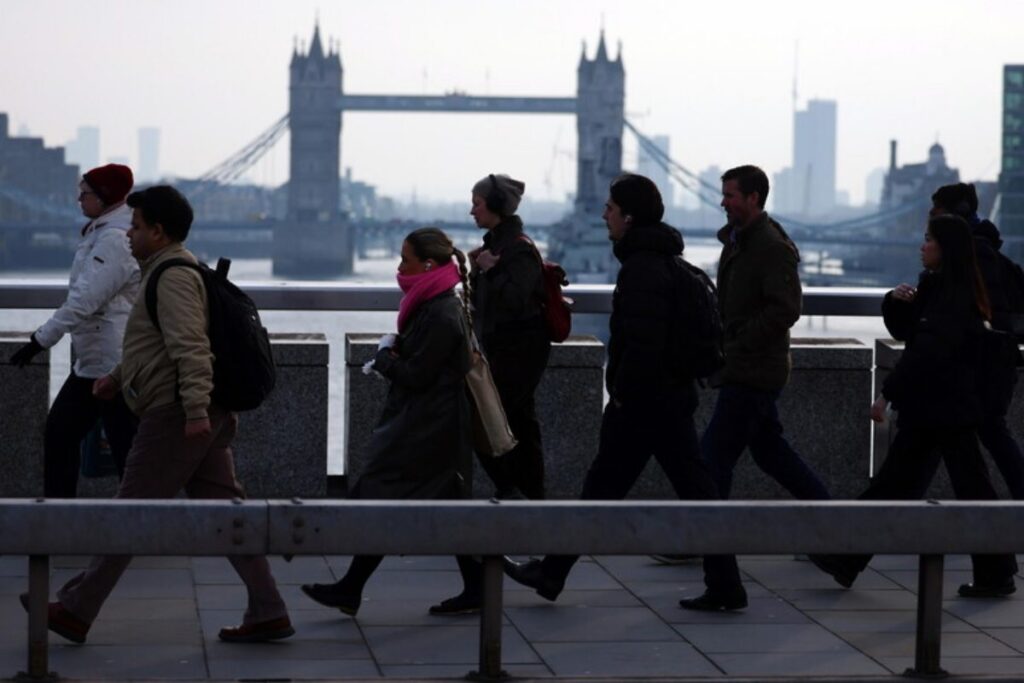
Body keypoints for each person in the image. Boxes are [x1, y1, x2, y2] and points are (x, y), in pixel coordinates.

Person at [20, 185, 294, 644]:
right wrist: (118, 375)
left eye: (137, 225)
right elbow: (155, 343)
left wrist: (193, 411)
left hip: (176, 416)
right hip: (193, 412)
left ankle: (75, 608)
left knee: (131, 512)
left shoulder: (172, 277)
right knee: (228, 512)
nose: (129, 233)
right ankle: (269, 609)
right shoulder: (163, 271)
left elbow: (190, 349)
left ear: (159, 231)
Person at [503, 173, 748, 612]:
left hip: (645, 406)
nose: (604, 215)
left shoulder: (642, 269)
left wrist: (620, 395)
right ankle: (554, 573)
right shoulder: (663, 261)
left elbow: (643, 344)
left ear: (629, 217)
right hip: (665, 402)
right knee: (670, 491)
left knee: (641, 491)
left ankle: (553, 572)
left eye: (611, 209)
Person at [811, 215, 1018, 597]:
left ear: (945, 248)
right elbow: (913, 333)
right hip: (942, 409)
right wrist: (895, 302)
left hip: (943, 409)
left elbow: (925, 351)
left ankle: (844, 555)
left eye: (928, 240)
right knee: (936, 488)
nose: (922, 246)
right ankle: (996, 570)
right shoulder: (945, 288)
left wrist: (887, 394)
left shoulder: (952, 296)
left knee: (909, 487)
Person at [301, 228, 482, 615]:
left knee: (384, 495)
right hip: (430, 424)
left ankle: (349, 587)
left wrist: (384, 356)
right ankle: (476, 586)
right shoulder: (434, 303)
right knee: (441, 506)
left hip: (427, 429)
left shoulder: (441, 313)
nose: (399, 267)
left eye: (405, 259)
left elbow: (417, 375)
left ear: (428, 265)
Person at [701, 165, 830, 502]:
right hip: (745, 367)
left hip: (753, 371)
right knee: (771, 453)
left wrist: (739, 342)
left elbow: (785, 308)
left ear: (753, 197)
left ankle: (704, 537)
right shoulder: (739, 240)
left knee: (713, 457)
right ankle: (835, 525)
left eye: (730, 195)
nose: (723, 202)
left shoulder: (771, 247)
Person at [11, 164, 140, 496]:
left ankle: (132, 529)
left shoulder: (113, 239)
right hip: (94, 360)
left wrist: (40, 340)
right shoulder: (104, 231)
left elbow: (85, 300)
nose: (78, 200)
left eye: (84, 194)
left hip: (112, 363)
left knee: (115, 448)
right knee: (75, 438)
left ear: (105, 198)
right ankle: (64, 521)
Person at [930, 183, 1024, 499]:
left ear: (958, 214)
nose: (930, 216)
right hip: (995, 363)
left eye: (936, 209)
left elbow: (959, 316)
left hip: (979, 368)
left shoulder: (970, 257)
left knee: (985, 434)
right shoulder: (992, 254)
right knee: (983, 437)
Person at [467, 173, 550, 501]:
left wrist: (491, 269)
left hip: (520, 352)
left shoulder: (518, 250)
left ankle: (513, 490)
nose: (471, 211)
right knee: (522, 426)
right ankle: (532, 498)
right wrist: (476, 270)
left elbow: (514, 300)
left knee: (485, 420)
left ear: (496, 207)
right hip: (501, 350)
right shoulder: (493, 247)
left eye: (477, 204)